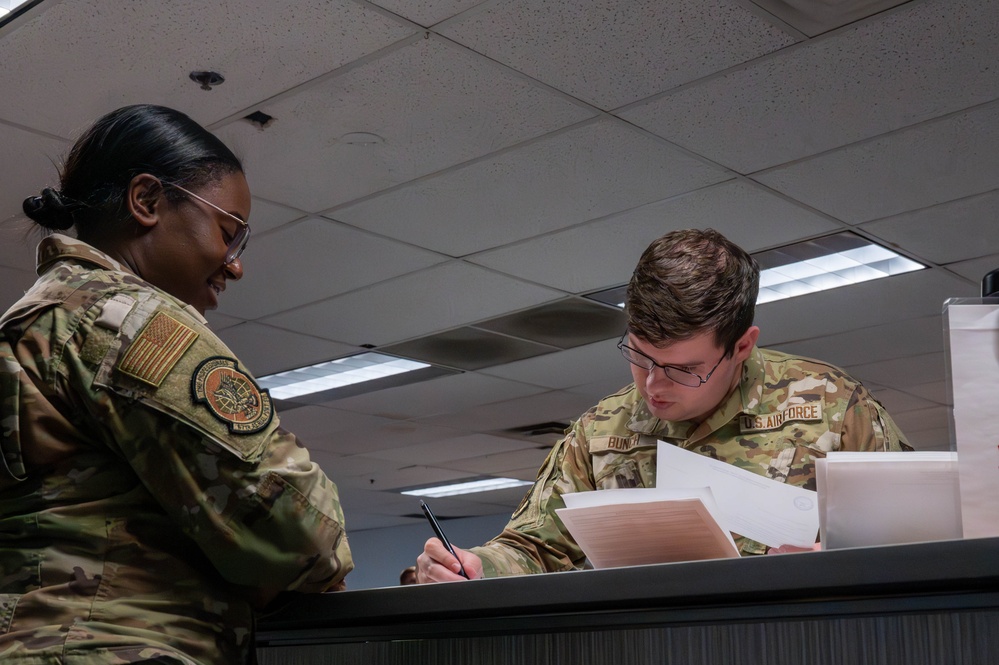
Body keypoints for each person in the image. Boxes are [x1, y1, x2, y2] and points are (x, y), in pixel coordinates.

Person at [0, 105, 352, 664]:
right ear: (147, 201)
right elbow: (297, 536)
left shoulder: (30, 320)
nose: (234, 265)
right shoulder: (129, 321)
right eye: (228, 233)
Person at [416, 228, 911, 582]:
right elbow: (536, 548)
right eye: (639, 356)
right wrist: (478, 567)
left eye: (682, 368)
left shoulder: (831, 405)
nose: (653, 385)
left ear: (741, 346)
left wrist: (842, 560)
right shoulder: (599, 431)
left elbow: (928, 533)